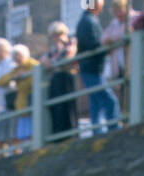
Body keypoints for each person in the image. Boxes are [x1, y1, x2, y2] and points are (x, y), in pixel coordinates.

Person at [76, 0, 122, 133]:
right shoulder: (89, 21)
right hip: (92, 68)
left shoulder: (86, 20)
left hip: (90, 67)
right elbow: (92, 45)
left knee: (96, 102)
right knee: (109, 100)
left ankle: (97, 131)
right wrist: (105, 44)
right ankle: (113, 128)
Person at [0, 44, 39, 149]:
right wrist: (13, 77)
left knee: (33, 131)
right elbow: (0, 81)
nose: (17, 59)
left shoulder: (33, 65)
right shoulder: (17, 69)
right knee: (23, 134)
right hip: (22, 105)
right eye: (15, 57)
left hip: (31, 102)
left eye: (19, 56)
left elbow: (34, 82)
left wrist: (24, 75)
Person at [41, 21, 79, 138]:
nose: (56, 37)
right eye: (54, 35)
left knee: (68, 107)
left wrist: (52, 63)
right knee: (56, 107)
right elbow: (44, 61)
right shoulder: (53, 49)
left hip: (67, 77)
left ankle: (71, 134)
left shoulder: (71, 43)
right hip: (56, 79)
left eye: (59, 34)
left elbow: (67, 56)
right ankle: (58, 135)